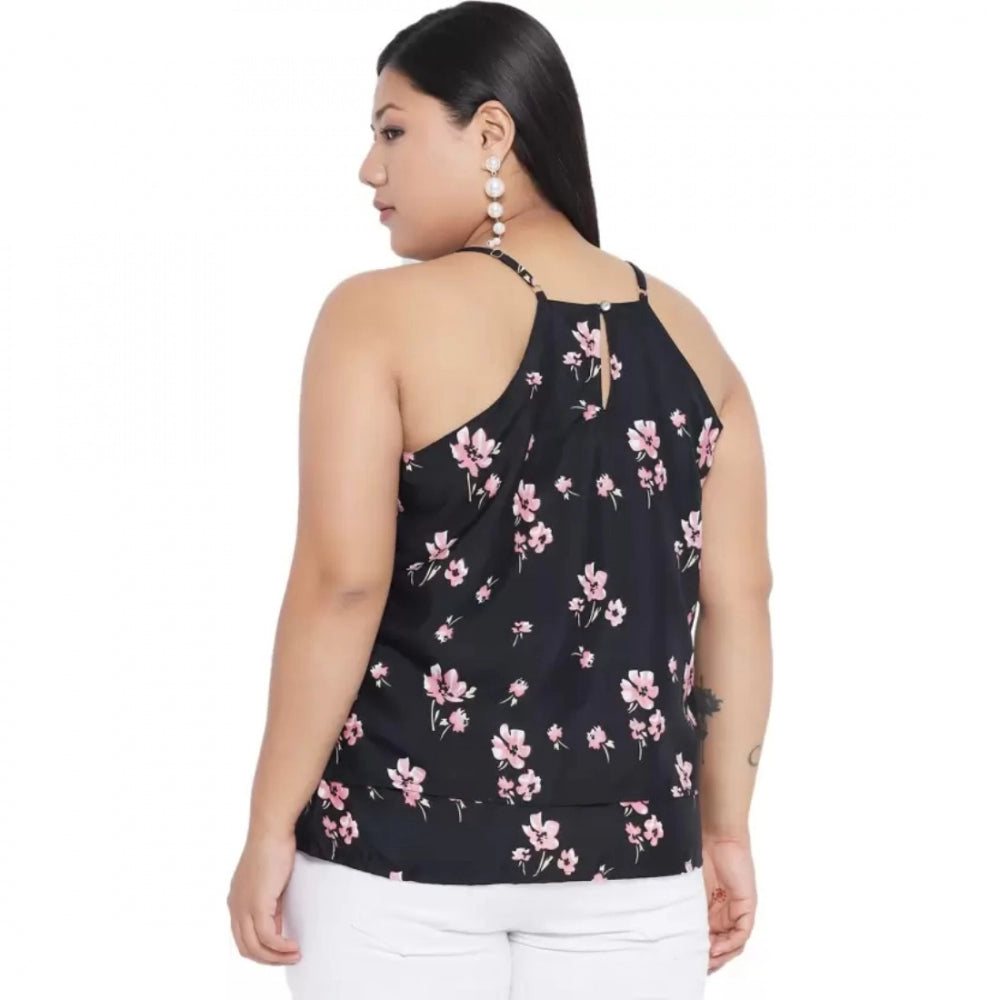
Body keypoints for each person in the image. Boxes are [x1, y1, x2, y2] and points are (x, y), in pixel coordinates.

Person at [226, 4, 772, 998]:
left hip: (392, 860)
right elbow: (739, 602)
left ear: (490, 131)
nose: (369, 169)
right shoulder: (692, 338)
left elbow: (343, 585)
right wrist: (725, 830)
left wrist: (268, 825)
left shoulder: (375, 317)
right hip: (638, 873)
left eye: (392, 129)